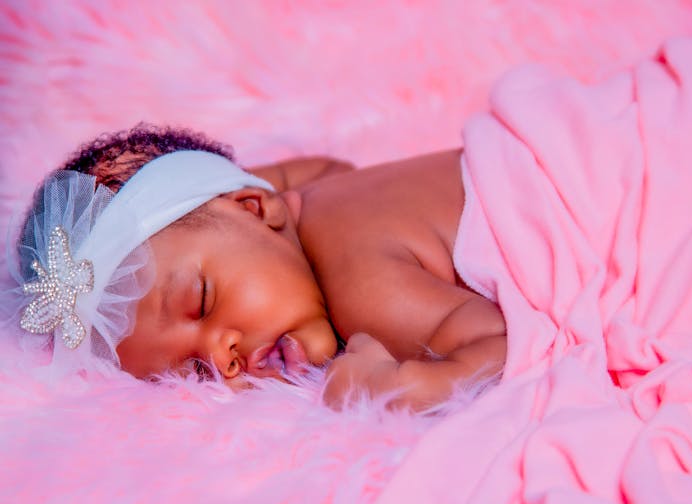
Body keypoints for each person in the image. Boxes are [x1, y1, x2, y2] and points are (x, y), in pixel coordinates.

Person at [10, 124, 507, 411]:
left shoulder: (360, 285)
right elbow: (329, 169)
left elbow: (499, 343)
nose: (223, 357)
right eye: (196, 372)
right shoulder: (303, 202)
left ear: (254, 207)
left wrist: (402, 388)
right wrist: (224, 199)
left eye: (202, 302)